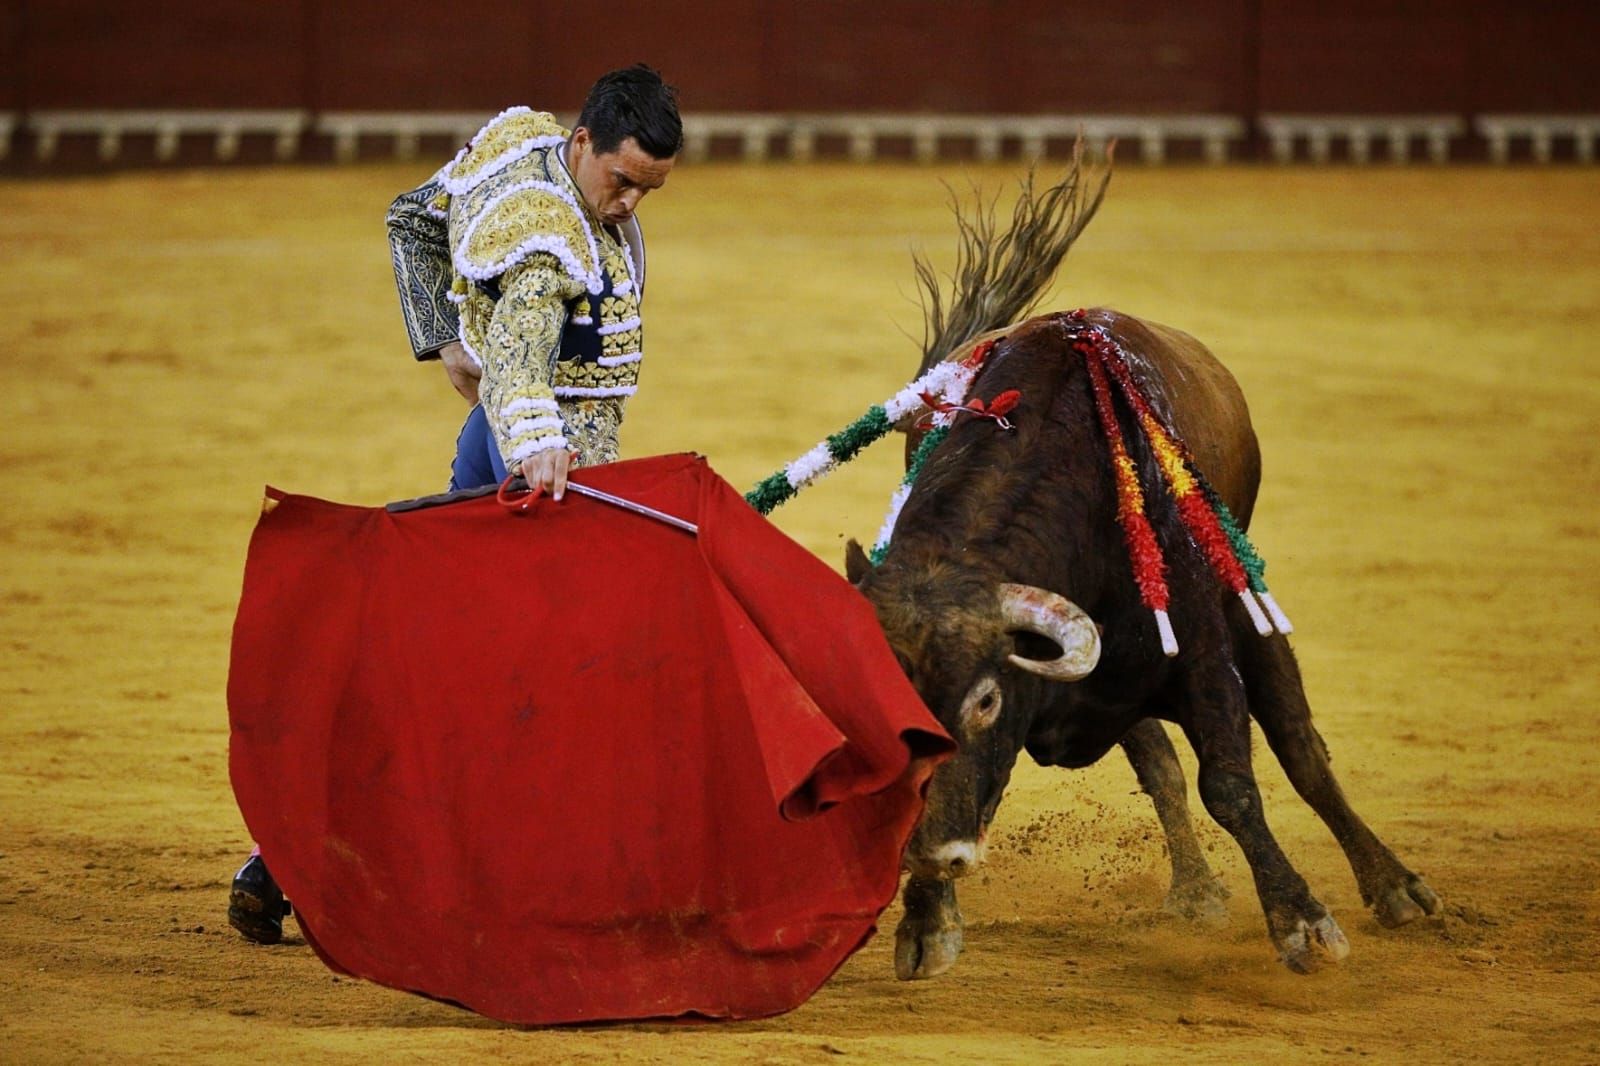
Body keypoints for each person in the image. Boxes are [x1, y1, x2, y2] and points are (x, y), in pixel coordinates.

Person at [228, 65, 683, 945]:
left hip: (512, 461)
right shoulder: (549, 231)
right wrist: (535, 444)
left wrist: (444, 338)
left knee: (440, 669)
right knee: (514, 687)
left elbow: (412, 222)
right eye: (620, 180)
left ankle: (282, 861)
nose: (627, 204)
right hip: (540, 483)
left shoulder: (518, 146)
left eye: (647, 190)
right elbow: (518, 356)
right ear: (581, 141)